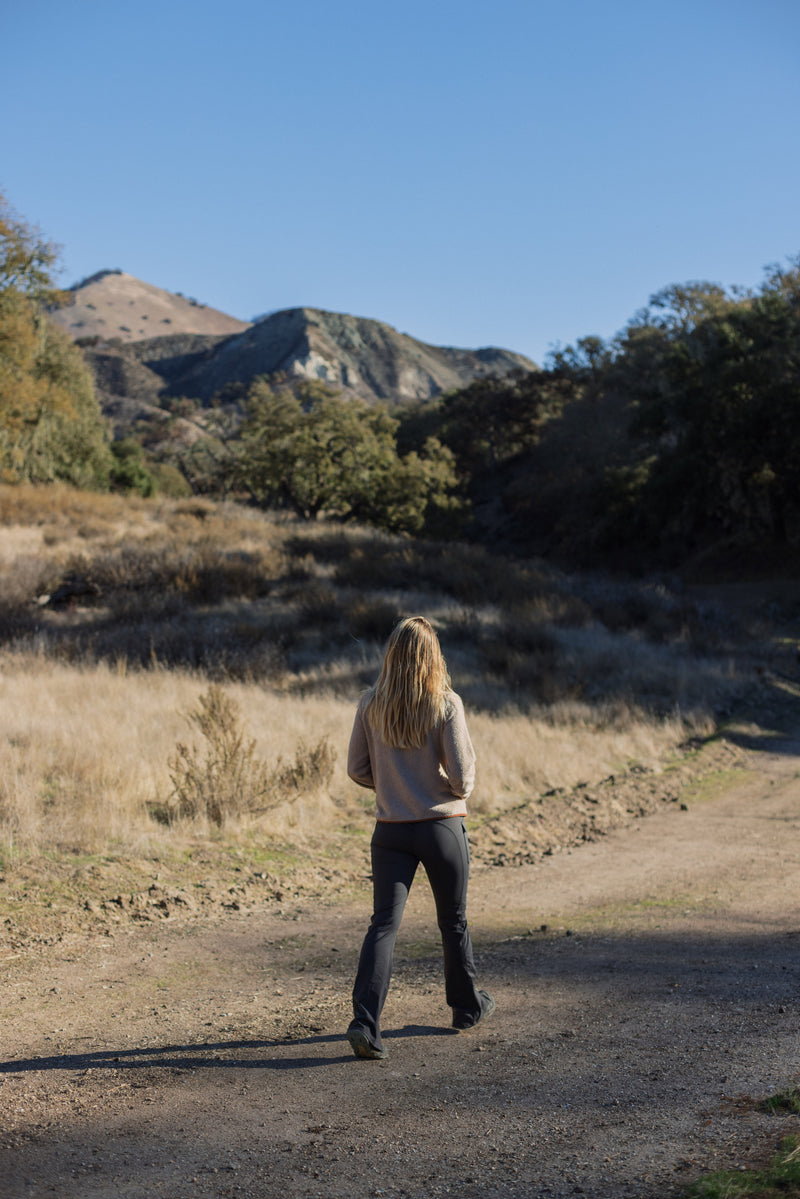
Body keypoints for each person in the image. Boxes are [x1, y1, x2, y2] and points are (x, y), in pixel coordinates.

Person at [345, 615, 494, 1060]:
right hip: (440, 828)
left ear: (392, 654)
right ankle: (466, 1009)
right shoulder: (447, 703)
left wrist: (394, 789)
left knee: (383, 926)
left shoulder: (370, 704)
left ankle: (365, 1025)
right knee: (453, 920)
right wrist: (438, 789)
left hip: (390, 832)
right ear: (433, 658)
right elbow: (464, 779)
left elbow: (356, 769)